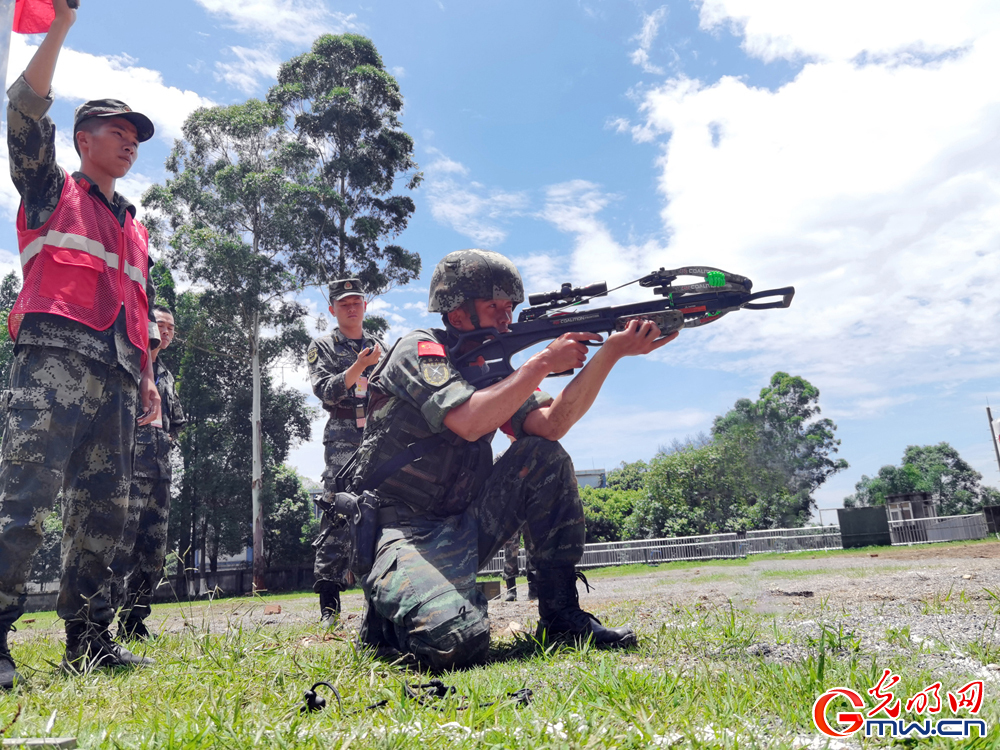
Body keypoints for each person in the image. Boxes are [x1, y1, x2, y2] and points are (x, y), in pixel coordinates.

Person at [351, 249, 675, 671]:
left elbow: (551, 424)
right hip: (401, 531)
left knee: (542, 456)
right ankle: (386, 625)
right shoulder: (420, 349)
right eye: (494, 307)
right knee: (457, 642)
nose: (506, 318)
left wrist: (610, 352)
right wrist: (542, 363)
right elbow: (468, 420)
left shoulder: (496, 370)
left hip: (463, 524)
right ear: (459, 313)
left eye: (510, 308)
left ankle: (560, 616)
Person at [0, 0, 161, 688]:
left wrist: (149, 380)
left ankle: (89, 641)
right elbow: (24, 113)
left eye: (135, 136)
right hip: (55, 362)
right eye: (115, 131)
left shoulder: (136, 227)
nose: (129, 142)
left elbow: (138, 305)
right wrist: (59, 26)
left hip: (121, 376)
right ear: (82, 139)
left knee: (105, 513)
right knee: (23, 497)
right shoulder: (49, 189)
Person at [307, 279, 384, 626]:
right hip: (342, 437)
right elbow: (325, 391)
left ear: (365, 306)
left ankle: (382, 599)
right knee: (337, 514)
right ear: (332, 310)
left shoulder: (379, 346)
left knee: (381, 511)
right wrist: (358, 368)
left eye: (357, 302)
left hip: (378, 436)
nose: (351, 308)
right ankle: (329, 608)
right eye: (344, 304)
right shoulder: (323, 346)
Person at [110, 305, 186, 641]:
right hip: (126, 470)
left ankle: (134, 622)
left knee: (153, 552)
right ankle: (98, 624)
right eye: (161, 325)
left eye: (171, 328)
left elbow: (177, 420)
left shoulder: (166, 374)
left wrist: (168, 439)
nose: (166, 332)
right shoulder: (126, 361)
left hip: (159, 473)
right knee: (118, 549)